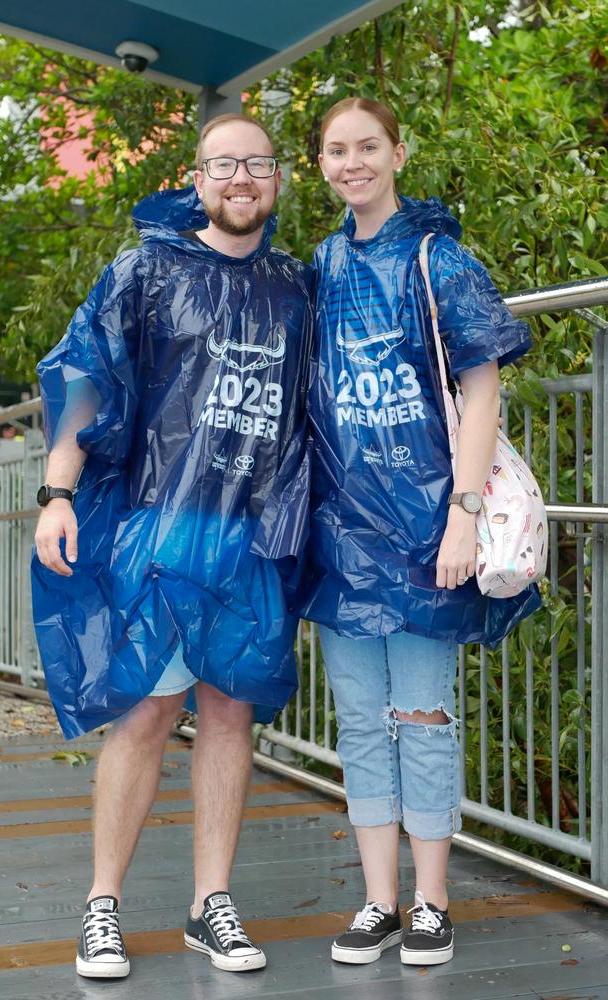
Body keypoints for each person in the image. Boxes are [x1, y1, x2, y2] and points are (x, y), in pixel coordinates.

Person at [32, 113, 312, 979]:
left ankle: (210, 905)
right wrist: (58, 492)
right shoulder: (146, 268)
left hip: (251, 533)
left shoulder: (298, 285)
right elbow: (89, 378)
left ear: (277, 180)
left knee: (231, 711)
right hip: (160, 524)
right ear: (196, 178)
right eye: (224, 164)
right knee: (148, 709)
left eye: (257, 164)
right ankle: (101, 907)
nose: (241, 178)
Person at [299, 97, 540, 968]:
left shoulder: (440, 260)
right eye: (336, 149)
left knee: (425, 714)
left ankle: (432, 900)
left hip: (432, 522)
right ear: (320, 164)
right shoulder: (320, 266)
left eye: (368, 146)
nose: (352, 161)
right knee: (362, 722)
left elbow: (483, 388)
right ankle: (379, 902)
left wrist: (464, 513)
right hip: (343, 529)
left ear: (398, 151)